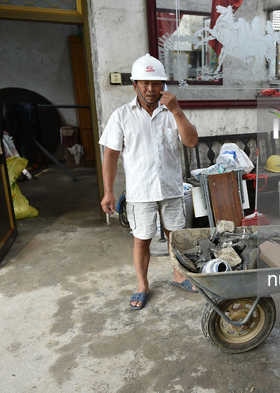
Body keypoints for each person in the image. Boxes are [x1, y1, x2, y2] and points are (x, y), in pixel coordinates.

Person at [99, 54, 199, 310]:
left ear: (163, 85)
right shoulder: (121, 116)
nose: (151, 89)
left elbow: (191, 141)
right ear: (135, 85)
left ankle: (178, 275)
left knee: (175, 236)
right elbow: (110, 155)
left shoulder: (171, 113)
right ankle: (142, 286)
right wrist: (108, 191)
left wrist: (176, 110)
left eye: (156, 83)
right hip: (140, 192)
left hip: (170, 188)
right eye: (144, 83)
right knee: (142, 239)